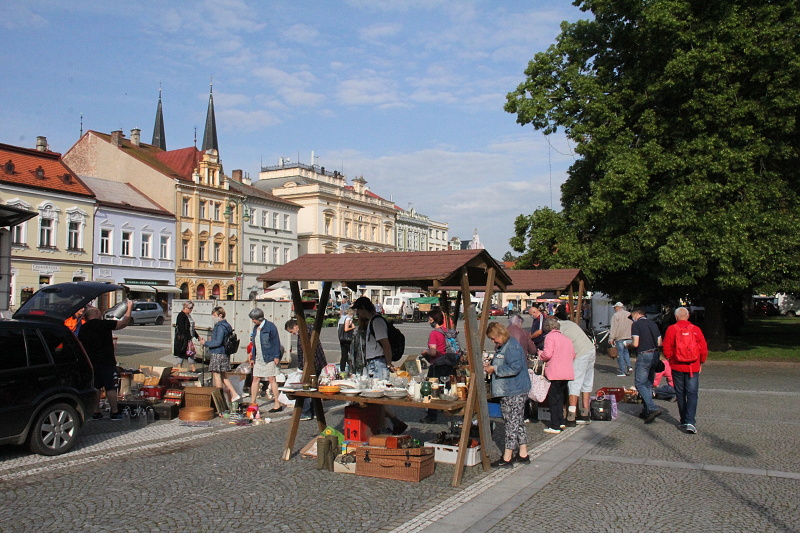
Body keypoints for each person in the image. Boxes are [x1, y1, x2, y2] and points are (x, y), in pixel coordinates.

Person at [350, 297, 407, 434]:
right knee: (375, 399)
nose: (357, 314)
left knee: (378, 397)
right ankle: (389, 424)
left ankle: (386, 426)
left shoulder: (377, 322)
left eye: (358, 310)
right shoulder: (372, 322)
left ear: (363, 308)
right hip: (374, 362)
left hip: (378, 362)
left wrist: (388, 363)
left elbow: (386, 345)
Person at [484, 322, 531, 467]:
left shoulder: (512, 346)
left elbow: (515, 368)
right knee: (518, 421)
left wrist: (495, 369)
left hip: (513, 389)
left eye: (493, 338)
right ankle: (523, 453)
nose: (493, 341)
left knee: (511, 422)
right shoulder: (506, 345)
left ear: (500, 334)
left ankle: (507, 457)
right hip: (512, 389)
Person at [78, 300, 134, 420]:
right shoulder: (103, 324)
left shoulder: (83, 328)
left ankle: (96, 412)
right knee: (111, 387)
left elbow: (80, 344)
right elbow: (123, 323)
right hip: (106, 361)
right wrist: (129, 308)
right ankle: (114, 412)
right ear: (97, 313)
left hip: (91, 363)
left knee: (96, 388)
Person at [662, 307, 708, 434]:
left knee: (680, 393)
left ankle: (683, 419)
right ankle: (690, 421)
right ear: (688, 316)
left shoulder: (672, 329)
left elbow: (666, 348)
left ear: (676, 317)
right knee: (692, 393)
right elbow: (703, 348)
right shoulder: (695, 329)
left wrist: (670, 359)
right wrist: (701, 362)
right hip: (693, 366)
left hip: (677, 366)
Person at [554, 307, 596, 426]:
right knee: (587, 382)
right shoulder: (570, 324)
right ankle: (585, 412)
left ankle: (571, 415)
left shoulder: (559, 329)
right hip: (590, 350)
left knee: (574, 383)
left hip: (581, 353)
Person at [285, 318, 329, 421]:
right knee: (313, 387)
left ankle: (306, 411)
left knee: (306, 387)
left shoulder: (304, 332)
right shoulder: (308, 329)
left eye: (291, 332)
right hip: (316, 362)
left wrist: (301, 366)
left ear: (295, 326)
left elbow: (304, 352)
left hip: (311, 363)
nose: (292, 334)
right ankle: (314, 411)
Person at [538, 318, 575, 434]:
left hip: (555, 372)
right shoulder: (567, 338)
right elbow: (573, 354)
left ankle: (555, 425)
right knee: (561, 398)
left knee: (553, 399)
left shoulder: (550, 337)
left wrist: (540, 354)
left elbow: (547, 354)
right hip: (567, 372)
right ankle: (561, 420)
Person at [419, 309, 456, 424]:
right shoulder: (446, 331)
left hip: (437, 364)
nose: (428, 322)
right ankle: (447, 410)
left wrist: (425, 352)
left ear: (432, 319)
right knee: (446, 388)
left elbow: (433, 352)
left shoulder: (434, 333)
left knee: (432, 389)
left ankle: (431, 415)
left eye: (429, 319)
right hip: (448, 363)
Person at [199, 306, 239, 403]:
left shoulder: (220, 326)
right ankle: (234, 394)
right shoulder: (226, 325)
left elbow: (218, 342)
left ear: (220, 315)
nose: (213, 317)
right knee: (223, 376)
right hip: (224, 352)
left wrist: (206, 343)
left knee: (217, 375)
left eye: (214, 315)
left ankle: (219, 398)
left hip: (218, 353)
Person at [630, 307, 663, 423]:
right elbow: (660, 342)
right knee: (648, 383)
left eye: (632, 315)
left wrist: (627, 346)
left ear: (637, 314)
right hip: (655, 354)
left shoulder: (636, 325)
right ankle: (646, 410)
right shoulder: (653, 324)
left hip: (644, 354)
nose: (632, 318)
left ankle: (652, 407)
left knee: (639, 383)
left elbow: (635, 343)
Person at [249, 308, 283, 413]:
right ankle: (253, 402)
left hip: (269, 356)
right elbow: (254, 344)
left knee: (271, 379)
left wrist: (276, 356)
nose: (253, 321)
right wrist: (253, 357)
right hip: (259, 358)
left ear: (259, 318)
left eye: (254, 319)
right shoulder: (256, 328)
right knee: (255, 379)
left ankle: (277, 404)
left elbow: (276, 341)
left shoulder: (270, 326)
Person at [174, 301, 200, 372]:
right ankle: (180, 370)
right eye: (190, 308)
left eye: (192, 308)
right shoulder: (181, 315)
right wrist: (188, 337)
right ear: (185, 307)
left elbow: (191, 328)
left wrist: (197, 336)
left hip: (188, 338)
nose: (191, 310)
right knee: (182, 354)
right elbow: (181, 328)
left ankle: (192, 369)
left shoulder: (188, 315)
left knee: (189, 353)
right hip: (182, 340)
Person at [609, 302, 633, 377]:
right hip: (629, 336)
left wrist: (611, 338)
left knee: (620, 353)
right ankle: (629, 366)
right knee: (626, 352)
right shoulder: (629, 314)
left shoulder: (616, 315)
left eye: (615, 307)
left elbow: (613, 328)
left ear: (618, 307)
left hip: (620, 337)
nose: (614, 309)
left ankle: (622, 370)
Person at [337, 308, 355, 372]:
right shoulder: (348, 319)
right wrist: (353, 327)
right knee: (353, 354)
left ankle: (342, 370)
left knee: (344, 355)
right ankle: (353, 369)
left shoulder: (342, 319)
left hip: (342, 339)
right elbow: (346, 329)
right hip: (347, 339)